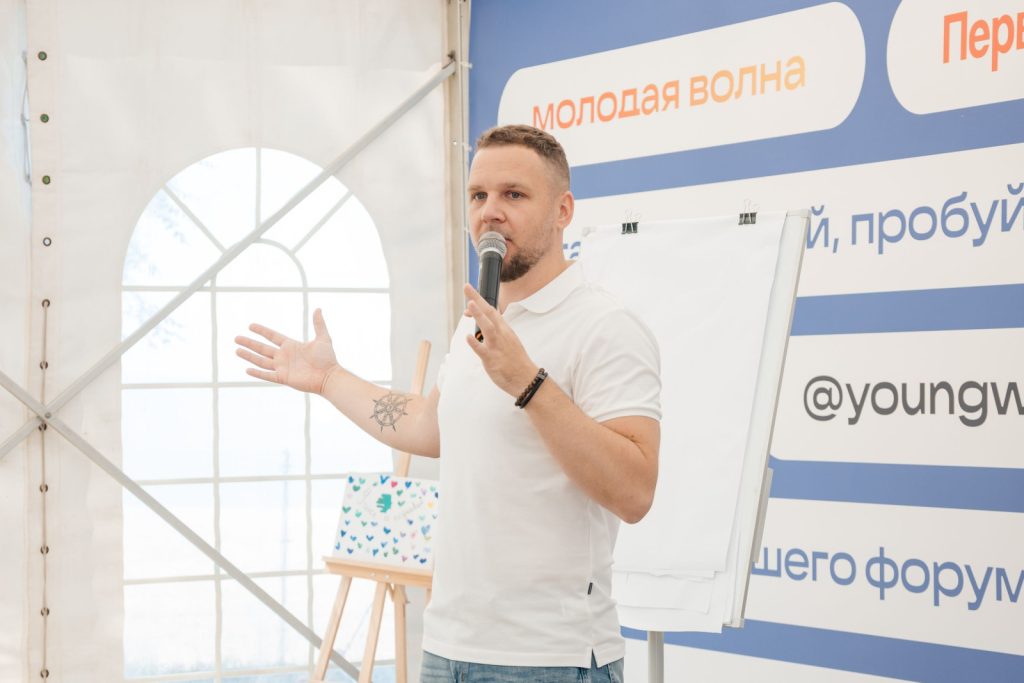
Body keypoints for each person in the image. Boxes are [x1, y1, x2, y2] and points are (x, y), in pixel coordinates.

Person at [235, 124, 661, 682]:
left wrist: (527, 383)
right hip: (447, 649)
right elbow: (428, 425)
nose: (490, 212)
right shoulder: (476, 324)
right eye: (478, 195)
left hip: (548, 659)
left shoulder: (604, 327)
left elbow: (634, 491)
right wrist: (329, 378)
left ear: (563, 211)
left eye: (514, 194)